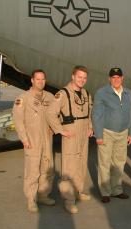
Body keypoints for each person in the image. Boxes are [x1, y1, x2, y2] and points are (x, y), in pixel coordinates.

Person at [47, 65, 93, 214]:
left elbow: (90, 112)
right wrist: (60, 130)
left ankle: (78, 191)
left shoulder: (86, 93)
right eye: (79, 77)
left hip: (83, 131)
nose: (82, 80)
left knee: (81, 163)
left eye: (84, 77)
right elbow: (50, 113)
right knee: (69, 167)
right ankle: (69, 200)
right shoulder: (63, 93)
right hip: (71, 131)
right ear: (73, 77)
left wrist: (91, 127)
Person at [13, 69, 55, 212]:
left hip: (47, 140)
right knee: (32, 171)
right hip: (32, 140)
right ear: (32, 80)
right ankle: (31, 199)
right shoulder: (23, 98)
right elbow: (18, 121)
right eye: (38, 79)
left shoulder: (50, 97)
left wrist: (54, 129)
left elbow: (56, 116)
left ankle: (43, 195)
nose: (41, 82)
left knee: (47, 169)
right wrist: (24, 139)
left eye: (43, 79)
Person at [92, 67, 131, 203]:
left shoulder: (129, 93)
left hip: (123, 133)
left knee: (119, 163)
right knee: (104, 162)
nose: (116, 80)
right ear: (109, 79)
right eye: (113, 77)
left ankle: (116, 189)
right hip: (107, 132)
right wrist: (98, 135)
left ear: (122, 78)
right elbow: (96, 115)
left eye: (118, 77)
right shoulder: (102, 93)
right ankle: (105, 192)